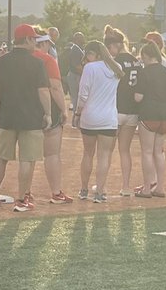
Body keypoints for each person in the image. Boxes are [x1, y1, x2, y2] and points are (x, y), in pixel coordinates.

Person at [0, 23, 50, 213]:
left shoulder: (1, 61)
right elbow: (43, 91)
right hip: (31, 118)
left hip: (7, 116)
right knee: (26, 160)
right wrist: (48, 113)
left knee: (1, 158)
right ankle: (21, 199)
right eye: (34, 40)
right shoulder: (37, 63)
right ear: (29, 40)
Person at [74, 40, 123, 203]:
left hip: (90, 117)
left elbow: (83, 95)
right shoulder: (116, 68)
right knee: (104, 156)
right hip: (109, 118)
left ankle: (84, 189)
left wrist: (78, 112)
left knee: (88, 153)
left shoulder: (90, 68)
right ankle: (100, 192)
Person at [132, 41, 166, 197]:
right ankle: (160, 187)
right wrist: (162, 100)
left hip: (148, 113)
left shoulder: (144, 72)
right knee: (158, 152)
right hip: (163, 114)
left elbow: (138, 98)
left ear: (146, 56)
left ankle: (147, 188)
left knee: (146, 152)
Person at [31, 27, 73, 203]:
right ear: (45, 42)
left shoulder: (22, 58)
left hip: (26, 108)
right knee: (52, 154)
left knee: (29, 154)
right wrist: (63, 110)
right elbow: (55, 87)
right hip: (48, 108)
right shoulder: (47, 59)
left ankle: (25, 193)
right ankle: (56, 193)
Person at [106, 27, 142, 197]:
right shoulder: (136, 61)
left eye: (110, 47)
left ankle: (101, 186)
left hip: (117, 108)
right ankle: (126, 187)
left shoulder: (115, 61)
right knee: (124, 150)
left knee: (107, 150)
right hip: (133, 111)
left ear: (115, 45)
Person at [65, 31, 85, 108]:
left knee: (79, 98)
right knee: (76, 99)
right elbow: (77, 65)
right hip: (75, 76)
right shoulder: (75, 49)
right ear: (76, 39)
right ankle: (76, 117)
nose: (83, 39)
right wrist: (86, 72)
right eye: (81, 38)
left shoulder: (79, 48)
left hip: (76, 75)